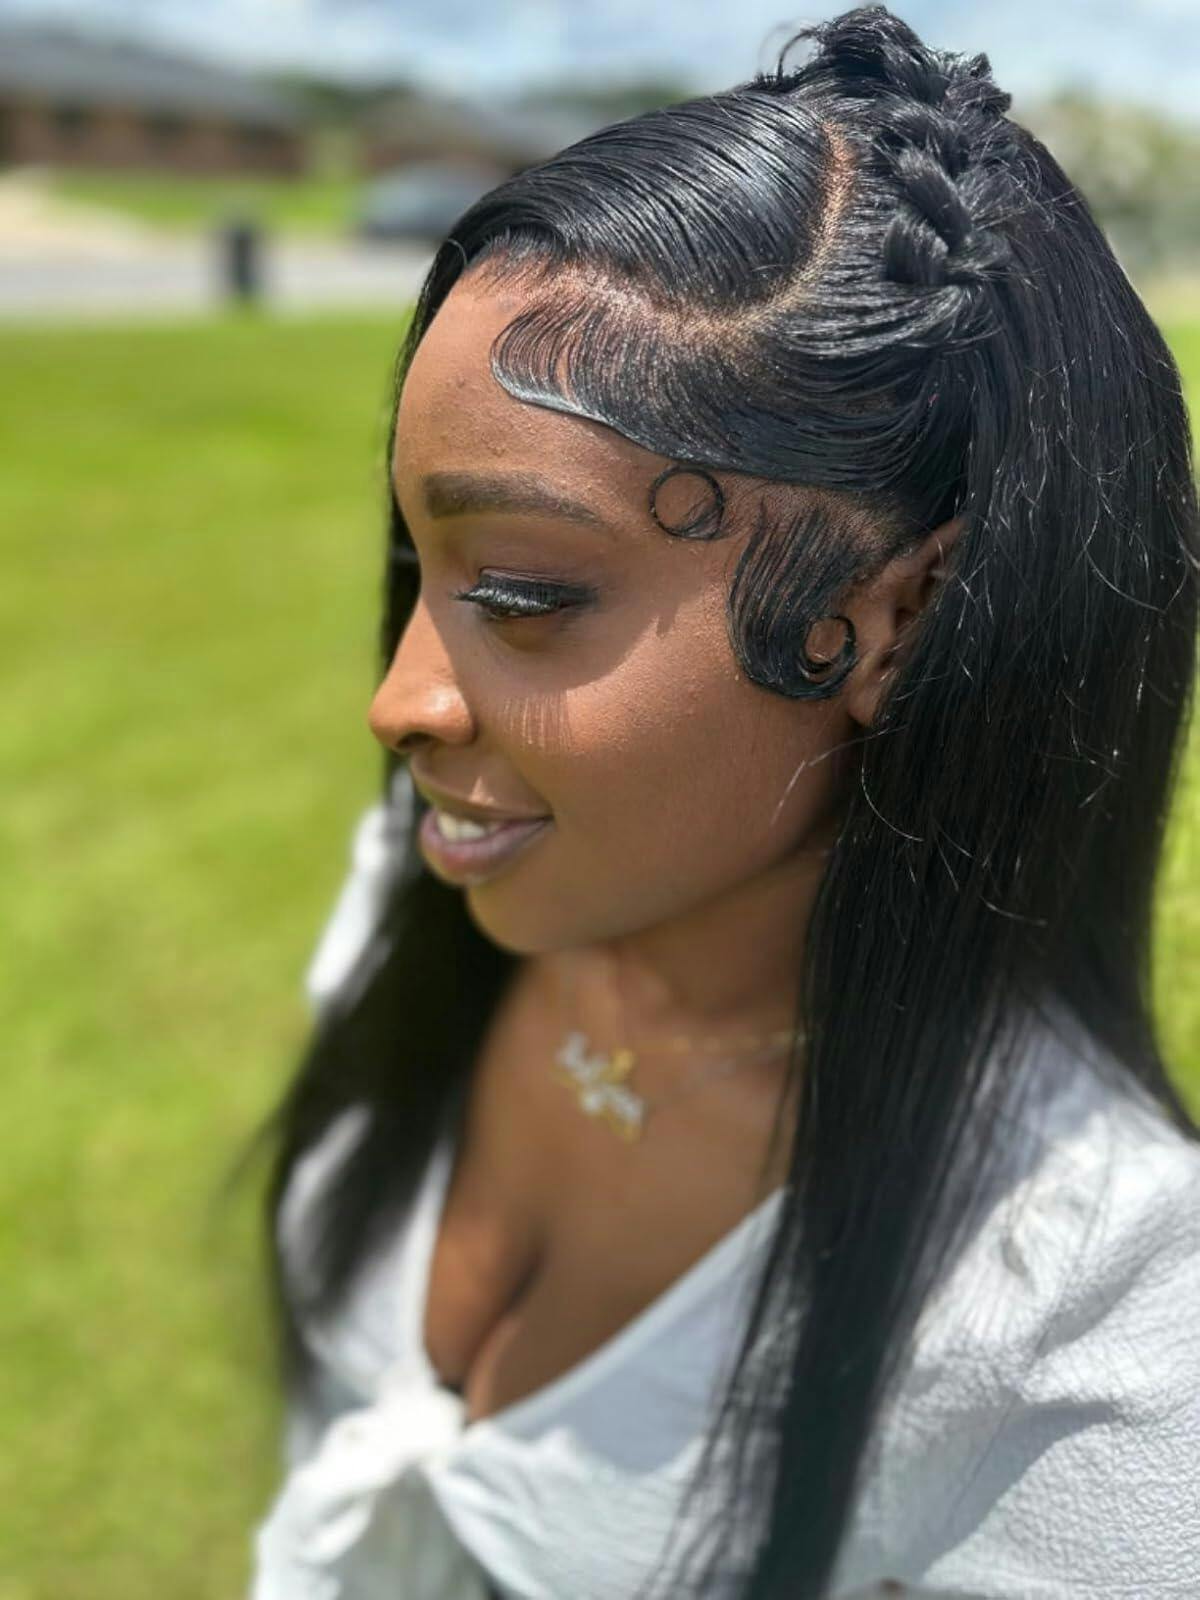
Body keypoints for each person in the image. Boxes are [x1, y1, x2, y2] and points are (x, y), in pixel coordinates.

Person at [242, 7, 1200, 1596]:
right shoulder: (428, 886)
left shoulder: (1081, 1314)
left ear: (900, 619)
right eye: (418, 561)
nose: (398, 704)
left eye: (528, 590)